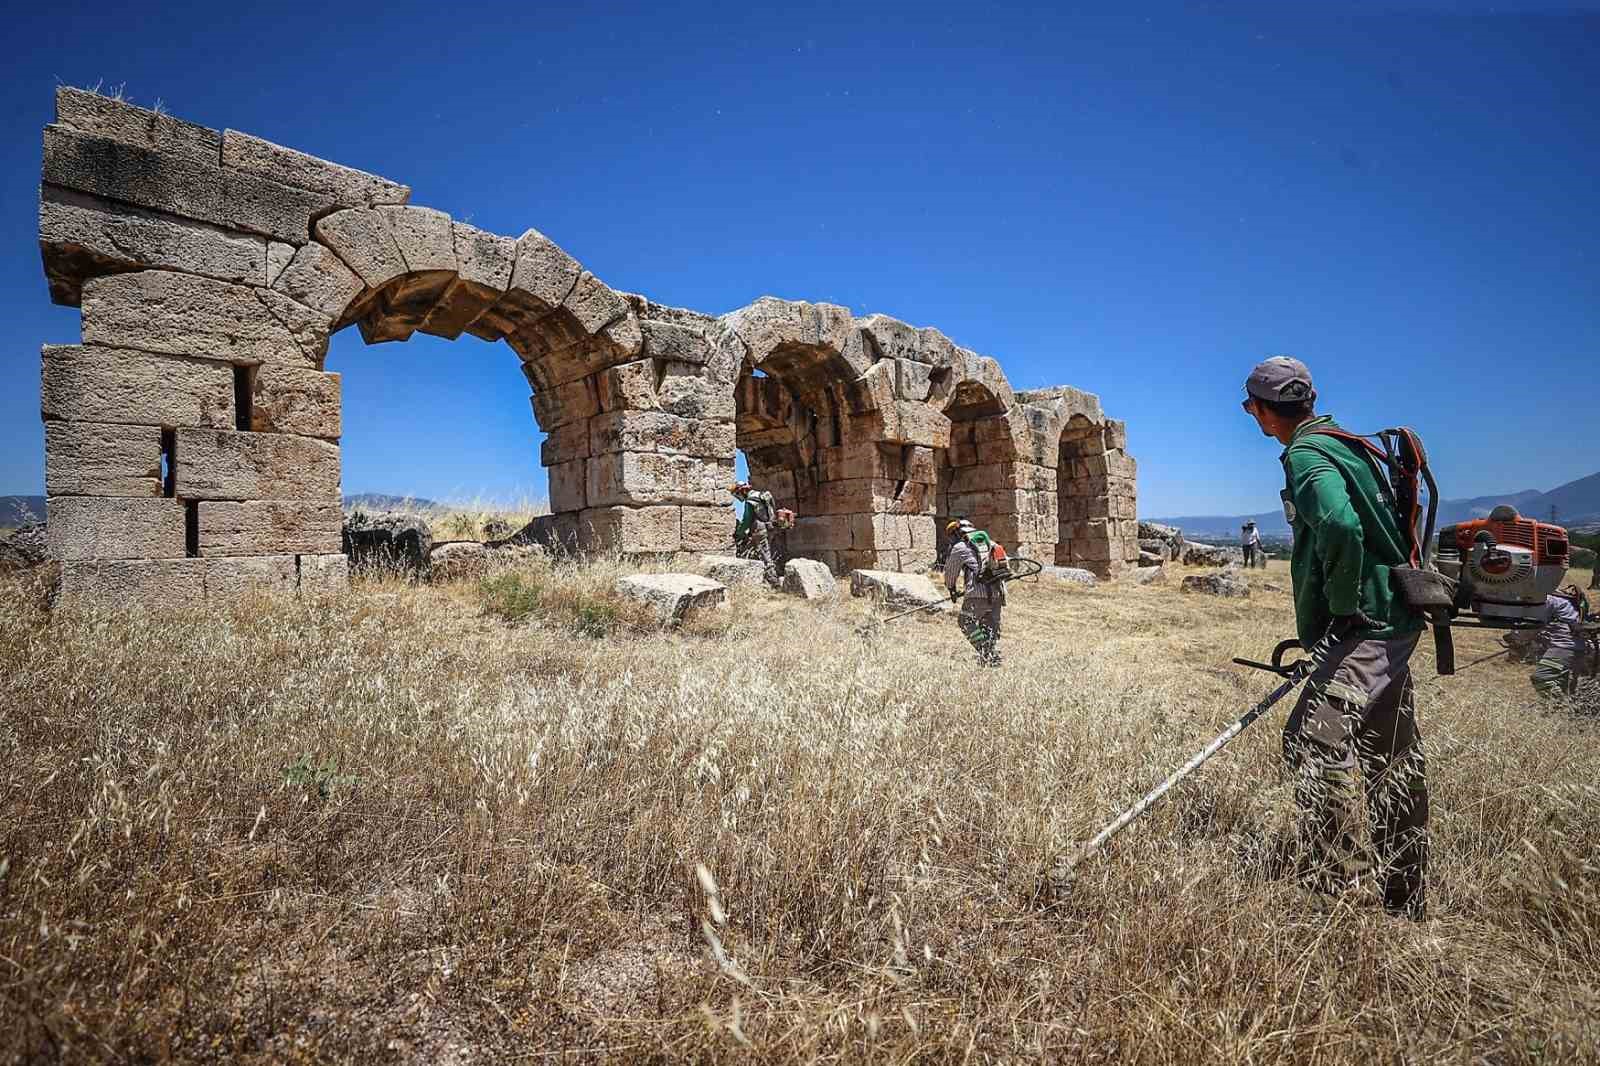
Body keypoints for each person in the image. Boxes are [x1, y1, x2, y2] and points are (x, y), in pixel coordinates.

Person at [1242, 355, 1430, 920]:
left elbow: (1341, 525)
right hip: (1393, 618)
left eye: (1251, 407)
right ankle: (1405, 892)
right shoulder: (1348, 444)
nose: (1252, 415)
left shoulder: (1306, 454)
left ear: (1264, 411)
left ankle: (1337, 887)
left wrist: (1343, 608)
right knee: (1389, 754)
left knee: (1312, 740)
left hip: (1364, 627)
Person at [943, 518, 1007, 667]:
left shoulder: (960, 547)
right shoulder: (991, 544)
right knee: (989, 626)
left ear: (956, 533)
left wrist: (951, 588)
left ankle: (987, 652)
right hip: (998, 593)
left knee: (965, 621)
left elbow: (950, 572)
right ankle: (990, 659)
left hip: (977, 594)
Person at [1528, 588, 1585, 699]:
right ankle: (1564, 706)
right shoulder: (1563, 597)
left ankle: (1559, 705)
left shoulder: (1548, 599)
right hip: (1575, 647)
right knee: (1564, 685)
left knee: (1541, 678)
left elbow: (1532, 625)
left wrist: (1518, 640)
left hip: (1563, 647)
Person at [730, 481, 783, 588]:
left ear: (742, 491)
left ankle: (774, 582)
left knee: (765, 556)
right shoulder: (762, 495)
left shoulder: (750, 501)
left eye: (737, 494)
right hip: (771, 527)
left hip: (760, 530)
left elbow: (746, 520)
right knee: (769, 552)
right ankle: (769, 577)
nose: (738, 497)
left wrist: (738, 533)